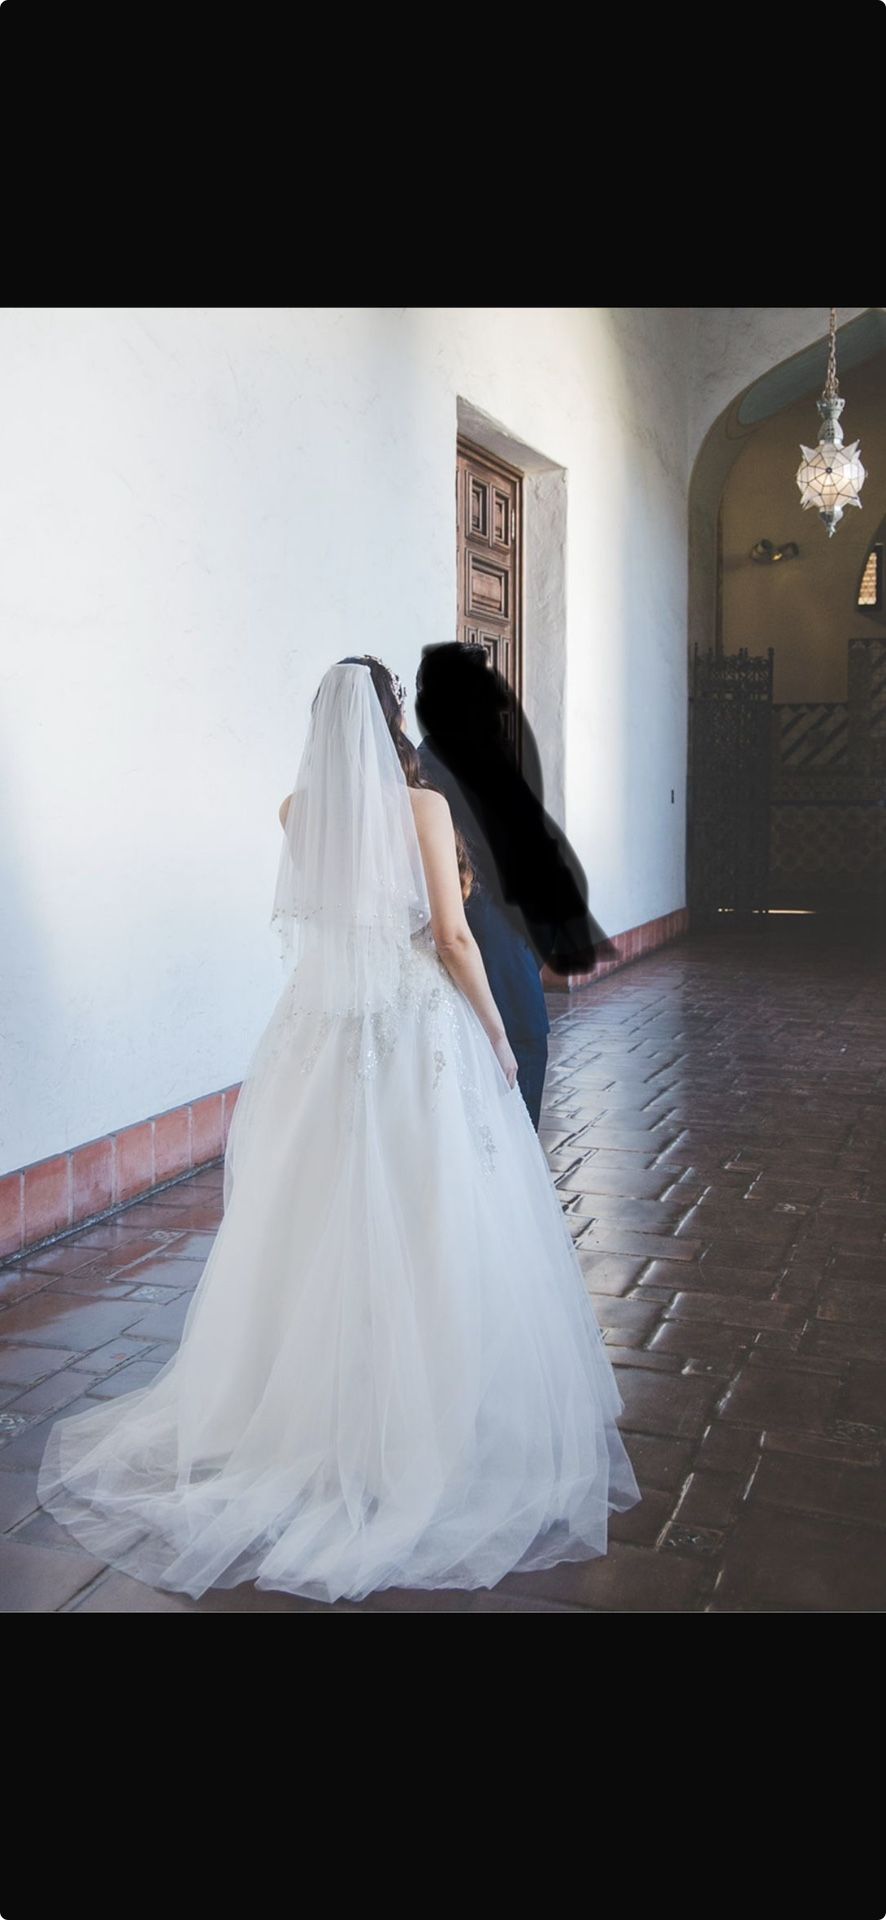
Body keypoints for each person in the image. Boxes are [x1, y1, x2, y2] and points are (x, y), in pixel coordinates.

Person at [35, 659, 641, 1605]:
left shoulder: (296, 810)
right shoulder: (423, 809)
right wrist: (494, 1033)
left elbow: (330, 916)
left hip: (320, 1034)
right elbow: (452, 938)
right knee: (428, 1206)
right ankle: (424, 1412)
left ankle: (308, 1410)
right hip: (412, 1025)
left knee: (317, 1216)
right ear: (392, 719)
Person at [415, 644, 619, 1127]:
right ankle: (515, 1159)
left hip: (484, 928)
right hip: (489, 931)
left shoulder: (435, 760)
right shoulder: (454, 764)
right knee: (523, 1045)